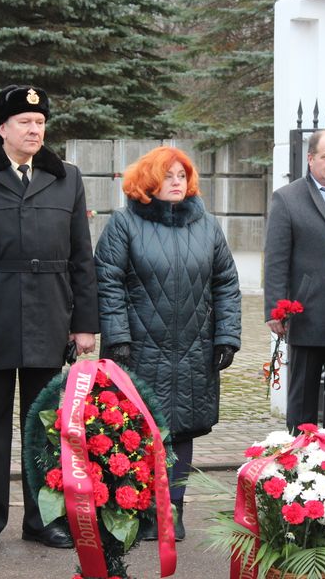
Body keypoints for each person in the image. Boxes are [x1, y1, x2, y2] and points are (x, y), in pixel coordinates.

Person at [0, 85, 99, 553]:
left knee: (44, 425)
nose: (35, 130)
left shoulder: (65, 177)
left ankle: (43, 518)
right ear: (3, 129)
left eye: (41, 122)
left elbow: (81, 258)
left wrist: (84, 323)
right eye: (25, 123)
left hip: (49, 315)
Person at [95, 146, 242, 541]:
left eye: (182, 175)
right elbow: (107, 282)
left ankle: (172, 511)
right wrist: (118, 337)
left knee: (182, 431)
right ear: (148, 182)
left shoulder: (207, 226)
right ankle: (137, 508)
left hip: (193, 348)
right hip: (139, 348)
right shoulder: (124, 225)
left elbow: (226, 282)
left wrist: (226, 336)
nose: (177, 182)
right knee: (137, 431)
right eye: (168, 175)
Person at [263, 129, 325, 434]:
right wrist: (275, 310)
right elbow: (276, 258)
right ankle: (299, 465)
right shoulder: (288, 198)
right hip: (307, 313)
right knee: (302, 401)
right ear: (310, 158)